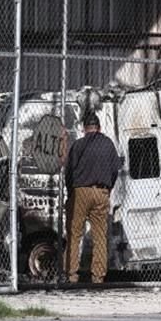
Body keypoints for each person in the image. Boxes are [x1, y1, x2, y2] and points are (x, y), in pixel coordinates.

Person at [64, 111, 122, 284]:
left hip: (80, 191)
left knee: (74, 234)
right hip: (101, 192)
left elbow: (69, 172)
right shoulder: (108, 144)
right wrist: (107, 189)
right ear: (99, 127)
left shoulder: (78, 145)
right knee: (100, 235)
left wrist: (71, 193)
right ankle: (97, 276)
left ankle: (71, 274)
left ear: (84, 128)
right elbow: (114, 170)